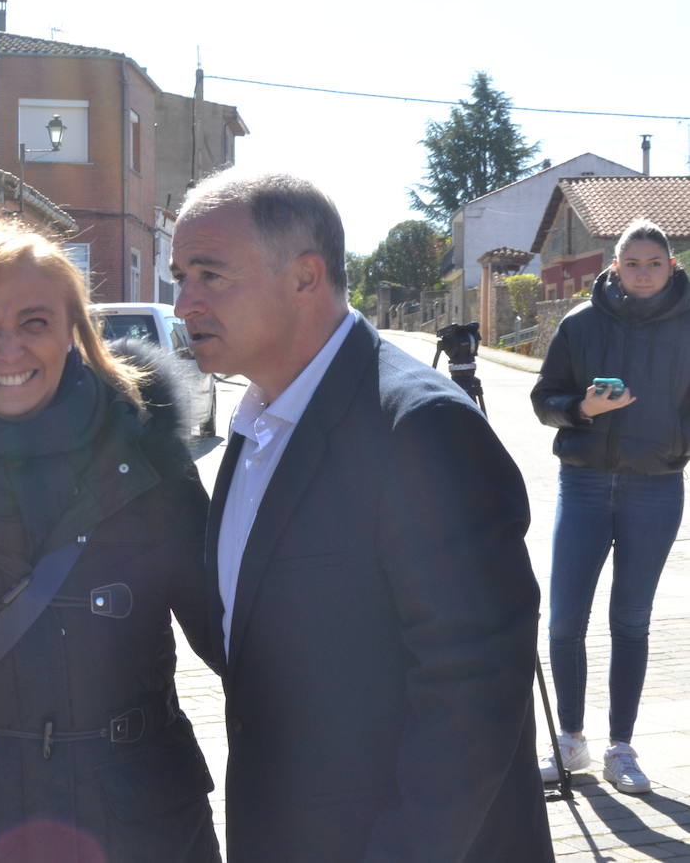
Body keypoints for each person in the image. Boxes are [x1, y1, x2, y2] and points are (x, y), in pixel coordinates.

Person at [171, 171, 553, 862]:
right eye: (179, 276)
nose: (183, 302)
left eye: (210, 275)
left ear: (305, 278)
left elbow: (472, 699)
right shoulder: (257, 424)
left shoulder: (421, 429)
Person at [0, 218, 221, 862]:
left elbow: (231, 638)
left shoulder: (144, 453)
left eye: (35, 323)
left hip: (140, 816)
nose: (10, 351)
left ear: (74, 334)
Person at [531, 219, 690, 795]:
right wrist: (583, 409)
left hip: (656, 488)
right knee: (565, 619)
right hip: (585, 485)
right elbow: (543, 399)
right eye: (632, 263)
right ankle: (570, 742)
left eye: (654, 263)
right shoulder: (580, 323)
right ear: (614, 265)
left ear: (671, 266)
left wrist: (677, 444)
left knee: (631, 621)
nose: (643, 273)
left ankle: (621, 747)